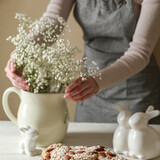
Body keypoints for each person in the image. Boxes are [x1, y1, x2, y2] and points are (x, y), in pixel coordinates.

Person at [5, 0, 160, 123]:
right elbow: (53, 20)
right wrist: (21, 54)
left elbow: (140, 52)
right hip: (89, 93)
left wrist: (97, 81)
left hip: (137, 93)